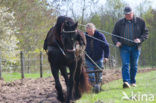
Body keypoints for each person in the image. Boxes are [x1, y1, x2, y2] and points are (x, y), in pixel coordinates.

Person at [112, 6, 148, 88]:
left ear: (133, 13)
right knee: (125, 64)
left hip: (136, 47)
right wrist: (116, 42)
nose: (127, 16)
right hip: (124, 47)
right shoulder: (119, 23)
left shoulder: (140, 21)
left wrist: (140, 39)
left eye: (129, 14)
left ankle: (132, 82)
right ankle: (126, 82)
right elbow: (114, 35)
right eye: (126, 14)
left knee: (134, 65)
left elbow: (146, 33)